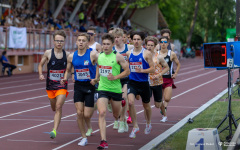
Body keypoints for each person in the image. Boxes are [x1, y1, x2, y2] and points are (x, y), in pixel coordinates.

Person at [61, 33, 98, 146]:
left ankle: (96, 100)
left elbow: (100, 66)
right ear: (76, 42)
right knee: (79, 113)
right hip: (78, 86)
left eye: (83, 40)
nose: (81, 42)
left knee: (87, 115)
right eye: (79, 40)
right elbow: (68, 69)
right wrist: (65, 78)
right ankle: (83, 137)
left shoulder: (92, 54)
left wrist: (96, 79)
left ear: (87, 43)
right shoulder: (71, 56)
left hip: (90, 86)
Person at [95, 33, 130, 149]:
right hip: (103, 89)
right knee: (102, 113)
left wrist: (115, 77)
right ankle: (103, 141)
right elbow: (98, 66)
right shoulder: (99, 56)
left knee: (116, 115)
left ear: (112, 45)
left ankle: (122, 118)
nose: (105, 46)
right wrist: (96, 78)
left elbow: (127, 71)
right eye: (104, 44)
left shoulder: (118, 56)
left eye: (108, 44)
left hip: (115, 89)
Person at [38, 30, 70, 139]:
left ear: (64, 42)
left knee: (58, 106)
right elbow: (40, 64)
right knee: (53, 107)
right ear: (53, 41)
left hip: (62, 85)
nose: (59, 43)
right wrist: (41, 74)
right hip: (50, 86)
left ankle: (54, 130)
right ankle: (56, 119)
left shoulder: (68, 55)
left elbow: (69, 69)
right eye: (57, 40)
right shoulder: (48, 53)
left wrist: (66, 77)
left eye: (61, 41)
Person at [126, 31, 155, 138]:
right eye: (134, 39)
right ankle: (135, 126)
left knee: (146, 106)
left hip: (144, 83)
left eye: (138, 39)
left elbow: (152, 69)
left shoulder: (146, 53)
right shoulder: (129, 53)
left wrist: (141, 70)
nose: (136, 41)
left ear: (142, 41)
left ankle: (148, 123)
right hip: (132, 82)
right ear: (132, 40)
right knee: (130, 102)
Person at [112, 28, 134, 133]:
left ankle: (121, 120)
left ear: (122, 38)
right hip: (115, 78)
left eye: (118, 37)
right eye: (114, 37)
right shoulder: (111, 49)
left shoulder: (129, 48)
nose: (116, 39)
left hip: (126, 78)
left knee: (123, 98)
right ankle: (118, 118)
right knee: (115, 102)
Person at [145, 36, 169, 121]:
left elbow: (166, 67)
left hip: (157, 82)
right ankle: (148, 120)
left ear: (155, 46)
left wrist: (159, 75)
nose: (149, 47)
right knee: (146, 102)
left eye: (151, 45)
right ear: (146, 45)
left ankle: (164, 115)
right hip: (146, 82)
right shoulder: (143, 55)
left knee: (157, 104)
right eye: (148, 45)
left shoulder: (159, 57)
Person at [159, 36, 181, 122]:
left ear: (168, 44)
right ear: (159, 44)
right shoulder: (156, 53)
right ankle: (164, 112)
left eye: (165, 42)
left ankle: (164, 108)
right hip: (158, 80)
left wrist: (175, 73)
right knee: (159, 100)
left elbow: (178, 64)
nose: (163, 44)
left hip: (168, 79)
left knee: (167, 98)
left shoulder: (171, 54)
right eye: (162, 42)